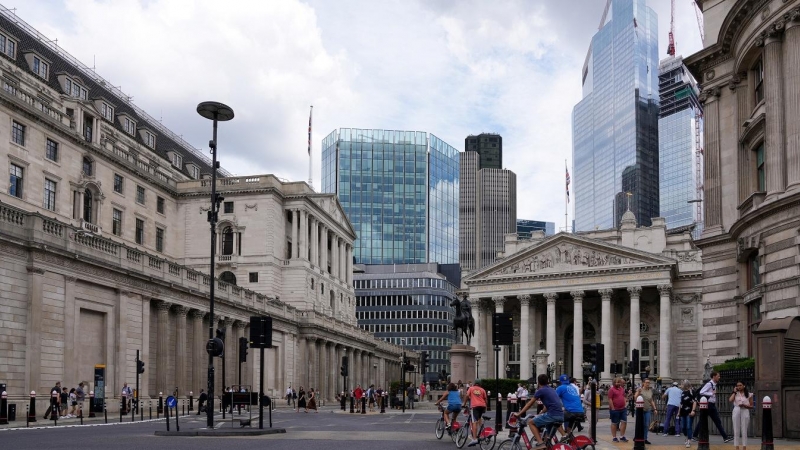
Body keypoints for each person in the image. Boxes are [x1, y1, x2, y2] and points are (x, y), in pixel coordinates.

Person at [516, 374, 564, 449]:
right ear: (547, 381)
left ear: (538, 382)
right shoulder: (552, 389)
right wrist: (541, 413)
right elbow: (549, 405)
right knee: (547, 440)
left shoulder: (541, 390)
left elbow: (529, 404)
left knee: (531, 422)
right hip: (560, 415)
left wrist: (519, 413)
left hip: (552, 415)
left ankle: (540, 442)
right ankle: (545, 444)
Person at [695, 371, 733, 442]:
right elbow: (701, 392)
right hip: (709, 405)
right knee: (717, 421)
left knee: (702, 420)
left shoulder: (714, 384)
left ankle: (694, 435)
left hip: (711, 404)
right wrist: (711, 393)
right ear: (714, 376)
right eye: (718, 376)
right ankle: (725, 437)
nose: (719, 377)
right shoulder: (709, 384)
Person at [462, 379, 488, 447]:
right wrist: (485, 407)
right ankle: (482, 430)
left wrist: (464, 404)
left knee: (474, 422)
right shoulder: (482, 390)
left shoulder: (471, 388)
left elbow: (467, 396)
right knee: (479, 418)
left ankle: (474, 438)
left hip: (475, 406)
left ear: (475, 383)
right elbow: (485, 399)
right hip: (482, 406)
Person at [729, 380, 753, 450]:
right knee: (736, 429)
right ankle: (737, 447)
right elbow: (730, 400)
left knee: (744, 429)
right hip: (736, 409)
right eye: (737, 386)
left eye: (740, 385)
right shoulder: (735, 394)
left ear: (744, 386)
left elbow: (752, 406)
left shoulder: (749, 394)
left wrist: (745, 406)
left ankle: (744, 447)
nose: (739, 387)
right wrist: (734, 392)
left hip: (745, 410)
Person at [634, 378, 657, 444]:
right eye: (646, 382)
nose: (648, 384)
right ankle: (638, 437)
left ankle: (645, 438)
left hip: (648, 409)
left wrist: (655, 408)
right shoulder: (640, 390)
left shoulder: (650, 391)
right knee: (640, 424)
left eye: (649, 382)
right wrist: (638, 392)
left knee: (646, 425)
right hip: (640, 410)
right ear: (643, 383)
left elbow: (651, 400)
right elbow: (635, 398)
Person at [608, 377, 629, 443]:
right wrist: (613, 408)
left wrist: (625, 404)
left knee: (624, 422)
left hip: (623, 408)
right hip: (615, 409)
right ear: (614, 383)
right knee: (614, 423)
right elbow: (610, 399)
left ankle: (622, 436)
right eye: (617, 382)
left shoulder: (622, 389)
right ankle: (614, 437)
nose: (618, 383)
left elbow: (623, 396)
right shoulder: (611, 390)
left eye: (619, 382)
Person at [679, 381, 697, 448]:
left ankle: (689, 440)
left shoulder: (692, 392)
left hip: (690, 411)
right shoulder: (683, 392)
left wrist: (693, 410)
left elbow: (695, 401)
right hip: (683, 412)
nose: (681, 385)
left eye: (682, 384)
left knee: (689, 426)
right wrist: (678, 412)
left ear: (685, 385)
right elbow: (681, 403)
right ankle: (687, 437)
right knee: (683, 427)